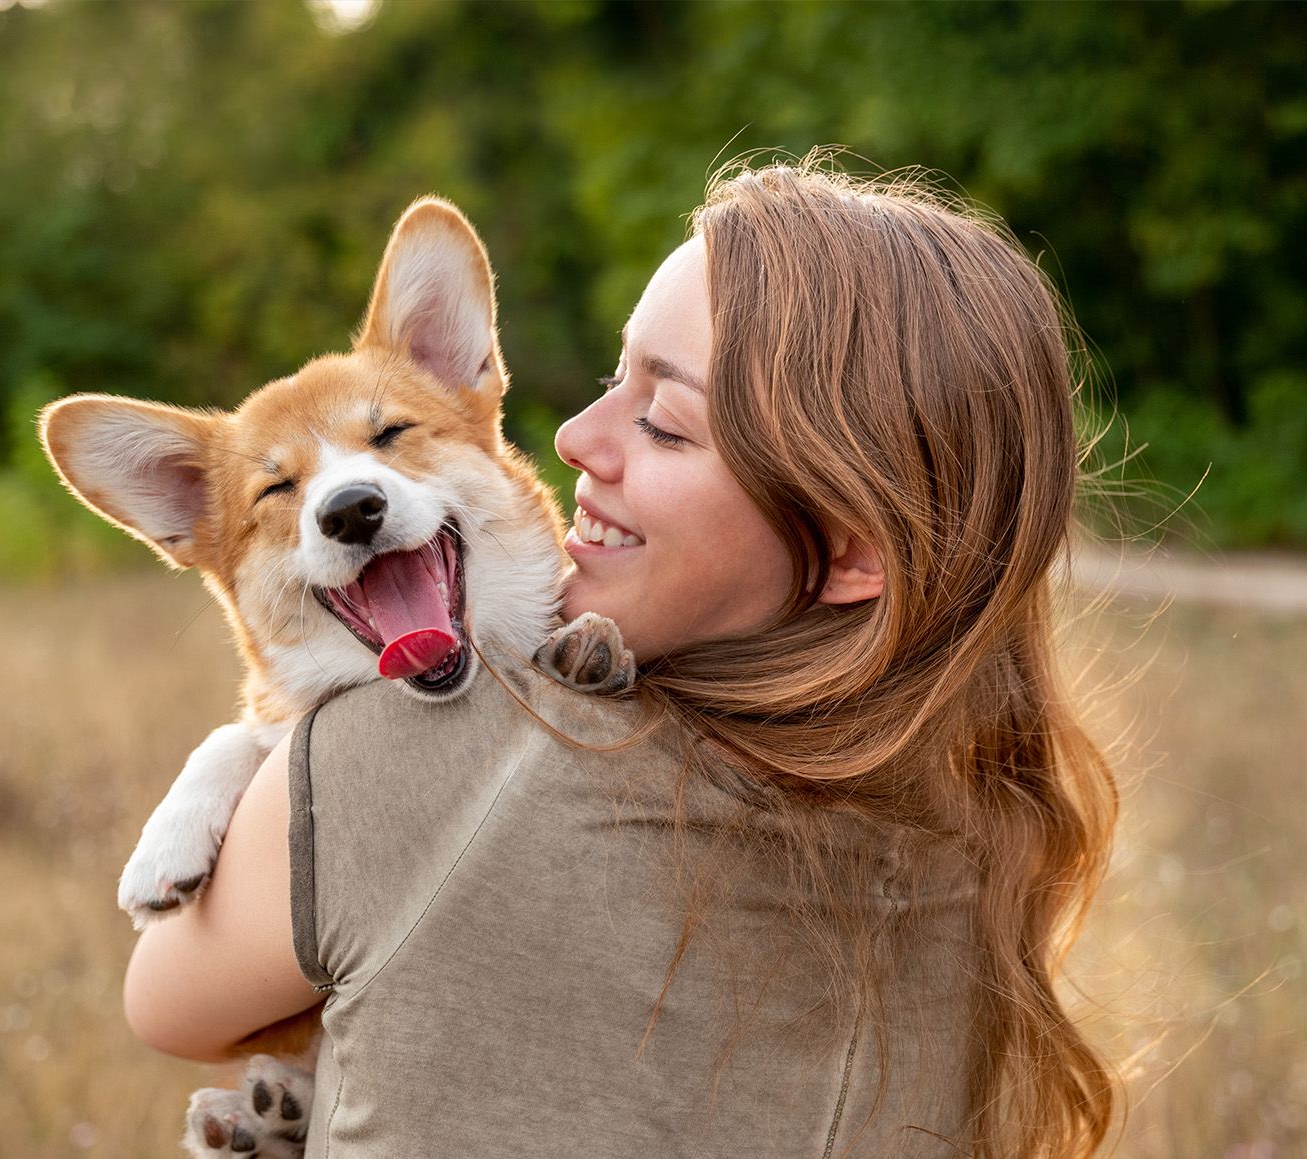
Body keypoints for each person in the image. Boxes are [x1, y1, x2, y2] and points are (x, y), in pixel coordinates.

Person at [123, 162, 1118, 1158]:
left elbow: (164, 1004)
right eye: (613, 379)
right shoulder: (977, 848)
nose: (565, 437)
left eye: (664, 421)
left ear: (854, 548)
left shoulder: (404, 759)